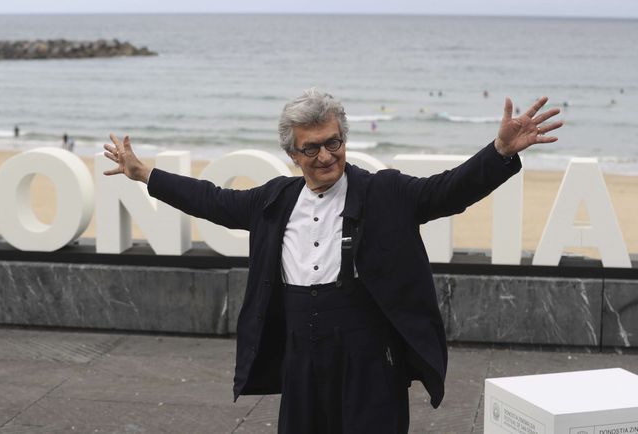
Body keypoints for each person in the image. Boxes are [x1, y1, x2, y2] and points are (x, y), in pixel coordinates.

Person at [102, 88, 562, 433]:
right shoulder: (275, 200)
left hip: (369, 358)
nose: (325, 156)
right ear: (292, 154)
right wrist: (144, 173)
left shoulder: (386, 192)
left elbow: (448, 190)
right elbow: (213, 200)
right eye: (311, 148)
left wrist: (499, 152)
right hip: (301, 354)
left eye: (333, 142)